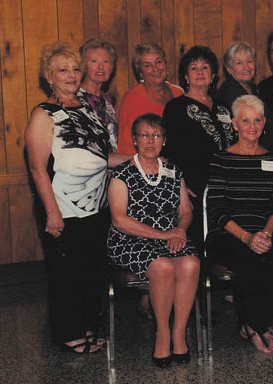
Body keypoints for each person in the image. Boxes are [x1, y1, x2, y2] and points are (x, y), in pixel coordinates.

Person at [26, 42, 126, 354]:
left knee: (92, 272)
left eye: (74, 69)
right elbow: (37, 168)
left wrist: (143, 159)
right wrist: (52, 214)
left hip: (95, 208)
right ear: (49, 77)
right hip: (61, 207)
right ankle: (68, 333)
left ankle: (87, 326)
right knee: (66, 275)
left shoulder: (87, 111)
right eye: (62, 70)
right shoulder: (44, 115)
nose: (71, 75)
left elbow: (103, 156)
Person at [107, 114, 199, 367]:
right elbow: (119, 220)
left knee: (190, 264)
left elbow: (186, 211)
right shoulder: (122, 173)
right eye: (144, 135)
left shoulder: (173, 171)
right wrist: (163, 235)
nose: (150, 141)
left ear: (164, 140)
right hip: (129, 240)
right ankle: (163, 333)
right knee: (163, 266)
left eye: (156, 135)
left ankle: (179, 333)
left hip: (170, 237)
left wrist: (179, 231)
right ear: (134, 140)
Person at [205, 95, 273, 353]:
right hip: (227, 234)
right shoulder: (220, 159)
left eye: (257, 120)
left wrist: (265, 233)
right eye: (245, 120)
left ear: (264, 122)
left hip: (262, 231)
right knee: (251, 260)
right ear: (234, 124)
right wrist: (247, 238)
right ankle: (256, 326)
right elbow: (217, 211)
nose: (252, 126)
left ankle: (252, 323)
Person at [161, 45, 236, 246]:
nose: (200, 72)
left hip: (229, 188)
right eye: (194, 68)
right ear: (186, 76)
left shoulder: (223, 107)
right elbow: (168, 154)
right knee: (200, 245)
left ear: (213, 76)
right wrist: (180, 186)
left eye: (205, 67)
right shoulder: (176, 108)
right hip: (195, 190)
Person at [117, 42, 183, 155]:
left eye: (158, 62)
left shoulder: (179, 93)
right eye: (147, 65)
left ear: (165, 64)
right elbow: (127, 146)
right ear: (140, 73)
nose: (155, 69)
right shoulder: (132, 99)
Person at [79, 39, 119, 152]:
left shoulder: (109, 101)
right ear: (84, 65)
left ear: (111, 68)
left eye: (106, 61)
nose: (101, 67)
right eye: (94, 61)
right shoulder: (74, 100)